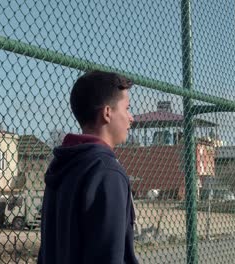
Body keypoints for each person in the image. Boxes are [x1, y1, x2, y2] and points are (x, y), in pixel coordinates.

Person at [38, 70, 139, 264]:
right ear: (107, 113)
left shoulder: (61, 164)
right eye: (127, 108)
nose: (131, 117)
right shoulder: (108, 173)